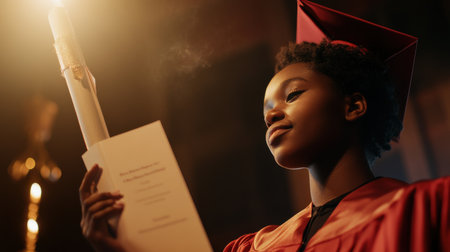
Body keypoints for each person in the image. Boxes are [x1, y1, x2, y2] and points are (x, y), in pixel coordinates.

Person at [79, 0, 449, 251]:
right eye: (266, 109)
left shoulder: (426, 212)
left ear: (353, 106)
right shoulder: (255, 247)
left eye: (292, 96)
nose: (271, 115)